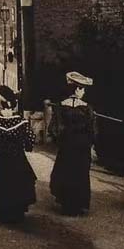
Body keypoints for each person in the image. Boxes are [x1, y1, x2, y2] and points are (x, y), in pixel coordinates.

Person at [49, 71, 96, 216]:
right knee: (79, 174)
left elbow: (54, 129)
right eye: (82, 88)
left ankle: (66, 204)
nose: (83, 92)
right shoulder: (87, 108)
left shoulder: (61, 106)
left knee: (66, 172)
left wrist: (61, 140)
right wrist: (90, 144)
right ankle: (78, 204)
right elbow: (92, 130)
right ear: (77, 89)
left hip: (67, 145)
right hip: (81, 147)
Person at [0, 85, 37, 223]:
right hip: (17, 158)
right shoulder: (21, 122)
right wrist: (27, 146)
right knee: (17, 182)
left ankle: (0, 212)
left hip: (1, 159)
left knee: (1, 184)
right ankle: (16, 212)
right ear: (14, 106)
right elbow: (30, 139)